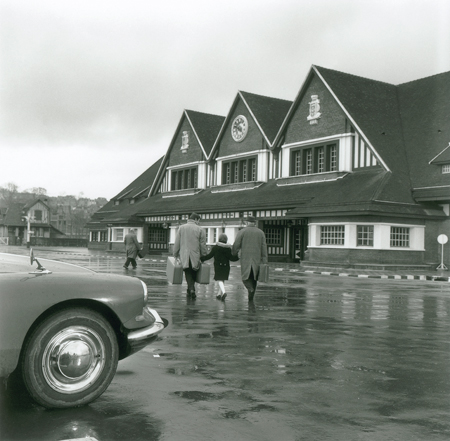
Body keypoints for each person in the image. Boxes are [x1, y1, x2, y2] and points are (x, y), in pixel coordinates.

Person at [232, 216, 268, 302]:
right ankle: (251, 298)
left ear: (247, 222)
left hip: (246, 259)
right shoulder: (261, 232)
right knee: (254, 278)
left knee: (245, 277)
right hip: (257, 259)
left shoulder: (242, 232)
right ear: (254, 223)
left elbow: (236, 244)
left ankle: (250, 289)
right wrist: (264, 260)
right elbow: (264, 247)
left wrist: (234, 254)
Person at [173, 213, 207, 299]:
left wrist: (175, 253)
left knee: (188, 272)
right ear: (196, 219)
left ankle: (190, 289)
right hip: (195, 255)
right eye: (199, 220)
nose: (199, 222)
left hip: (184, 254)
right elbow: (202, 244)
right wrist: (204, 255)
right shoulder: (200, 229)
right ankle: (191, 289)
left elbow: (177, 242)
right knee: (194, 271)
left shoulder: (181, 228)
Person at [201, 233, 239, 301]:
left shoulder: (216, 248)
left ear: (219, 239)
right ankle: (219, 294)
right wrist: (238, 257)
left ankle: (224, 292)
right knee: (222, 279)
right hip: (226, 266)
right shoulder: (228, 249)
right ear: (226, 240)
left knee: (219, 279)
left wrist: (202, 258)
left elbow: (209, 256)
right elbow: (231, 258)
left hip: (218, 265)